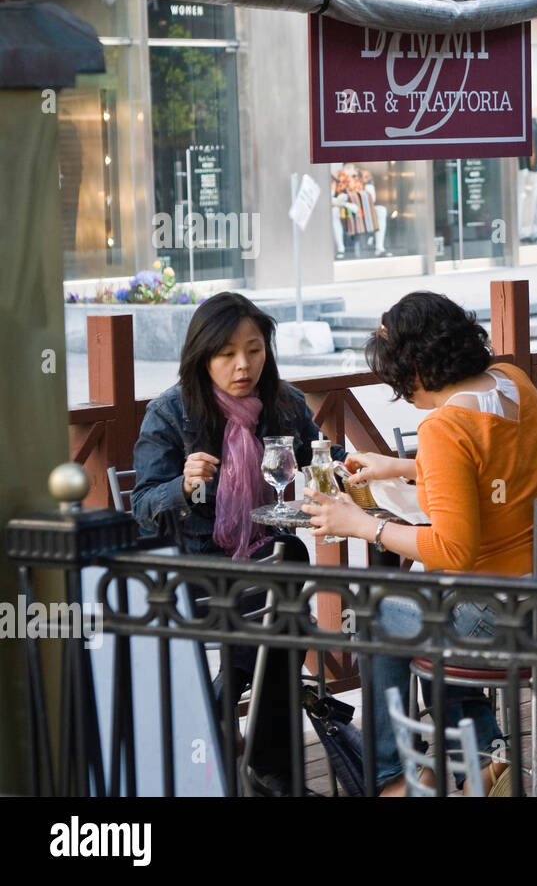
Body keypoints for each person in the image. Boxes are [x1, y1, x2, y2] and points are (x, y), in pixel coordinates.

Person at [301, 291, 537, 796]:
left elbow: (454, 549)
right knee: (434, 615)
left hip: (512, 620)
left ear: (415, 369)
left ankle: (394, 777)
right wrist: (401, 466)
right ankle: (483, 763)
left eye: (397, 381)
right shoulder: (512, 381)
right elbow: (496, 467)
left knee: (377, 610)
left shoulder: (444, 424)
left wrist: (359, 524)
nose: (403, 395)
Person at [131, 292, 345, 796]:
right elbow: (141, 507)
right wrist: (181, 486)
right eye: (227, 353)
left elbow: (322, 452)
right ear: (202, 356)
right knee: (290, 616)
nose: (243, 365)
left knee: (285, 581)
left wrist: (342, 465)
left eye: (254, 349)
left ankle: (221, 707)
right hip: (192, 575)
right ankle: (272, 771)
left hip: (264, 570)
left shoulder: (282, 403)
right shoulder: (170, 413)